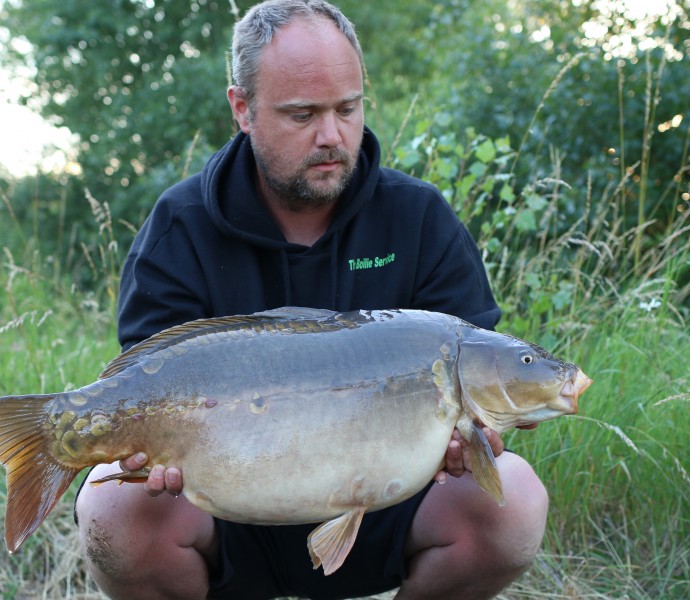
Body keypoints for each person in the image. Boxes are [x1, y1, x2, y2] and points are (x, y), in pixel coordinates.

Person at [75, 1, 548, 598]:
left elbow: (480, 372)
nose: (332, 136)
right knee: (110, 512)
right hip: (223, 503)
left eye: (347, 109)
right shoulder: (181, 227)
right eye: (302, 114)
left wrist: (474, 440)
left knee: (515, 499)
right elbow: (148, 376)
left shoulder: (419, 218)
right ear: (242, 109)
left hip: (388, 501)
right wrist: (155, 446)